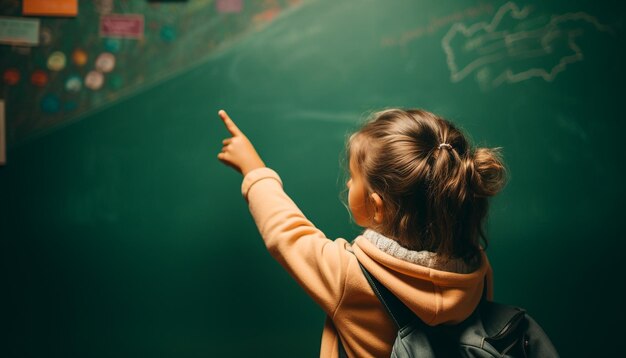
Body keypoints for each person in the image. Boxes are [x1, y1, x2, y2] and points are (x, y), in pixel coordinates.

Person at [216, 108, 507, 357]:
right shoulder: (476, 270)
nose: (347, 186)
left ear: (376, 207)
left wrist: (253, 170)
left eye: (353, 178)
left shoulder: (349, 277)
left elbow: (286, 232)